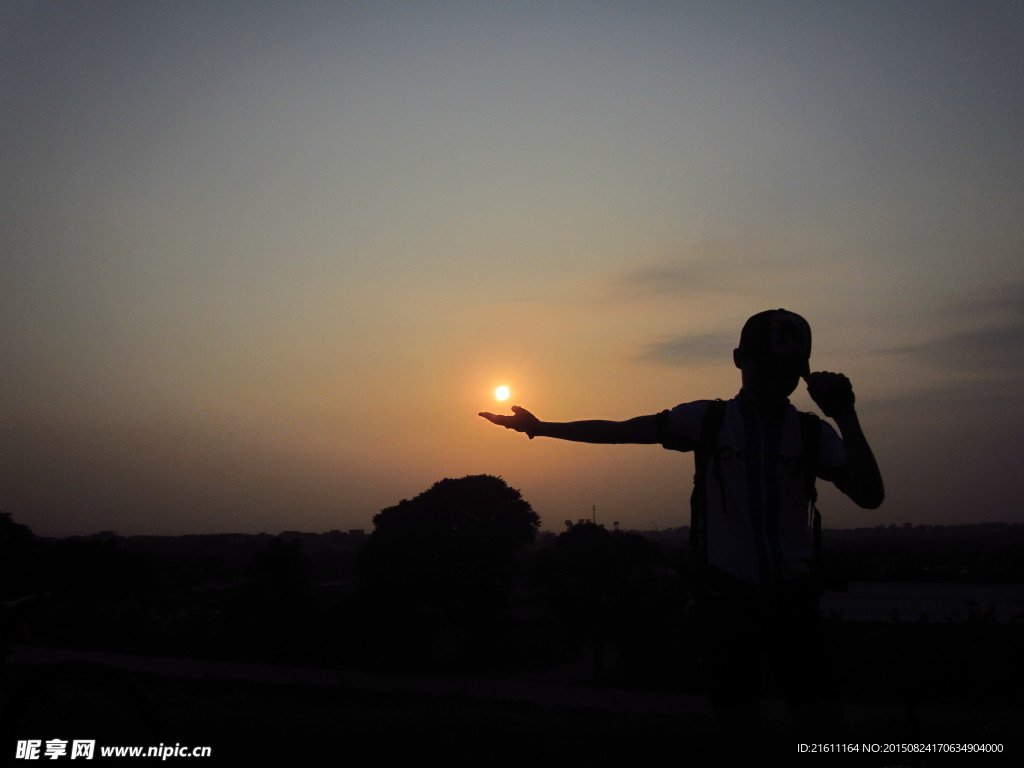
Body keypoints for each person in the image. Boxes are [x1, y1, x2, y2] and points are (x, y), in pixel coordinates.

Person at [479, 309, 883, 766]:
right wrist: (541, 427)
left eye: (788, 372)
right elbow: (622, 432)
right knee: (742, 739)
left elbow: (870, 497)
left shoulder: (813, 433)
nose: (776, 380)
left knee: (825, 735)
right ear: (739, 361)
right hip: (726, 602)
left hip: (794, 603)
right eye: (765, 367)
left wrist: (846, 414)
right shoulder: (707, 421)